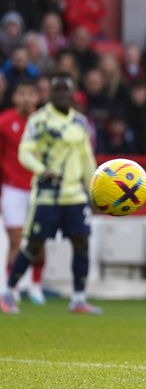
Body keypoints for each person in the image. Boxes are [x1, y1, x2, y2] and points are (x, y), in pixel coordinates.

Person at [0, 72, 99, 314]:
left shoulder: (80, 122)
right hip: (46, 194)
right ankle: (9, 291)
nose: (63, 95)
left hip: (74, 195)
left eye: (67, 90)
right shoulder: (40, 121)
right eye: (58, 90)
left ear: (73, 94)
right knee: (33, 245)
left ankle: (78, 298)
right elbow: (25, 152)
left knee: (82, 243)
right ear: (50, 94)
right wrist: (41, 170)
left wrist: (94, 188)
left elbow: (87, 158)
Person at [0, 79, 45, 305]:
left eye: (31, 93)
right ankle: (12, 288)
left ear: (37, 97)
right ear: (14, 97)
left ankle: (36, 286)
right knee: (16, 242)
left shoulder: (45, 124)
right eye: (22, 93)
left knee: (39, 243)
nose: (26, 98)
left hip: (40, 190)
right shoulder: (4, 122)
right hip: (12, 190)